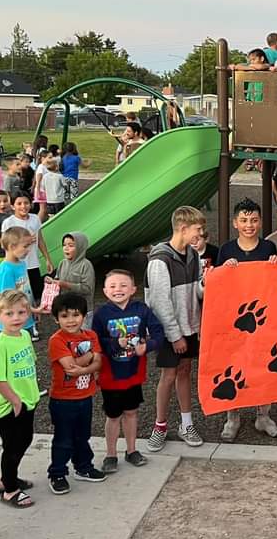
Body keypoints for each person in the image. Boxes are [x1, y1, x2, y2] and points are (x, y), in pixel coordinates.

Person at [215, 199, 277, 440]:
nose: (249, 225)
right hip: (235, 319)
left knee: (262, 365)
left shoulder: (269, 248)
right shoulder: (227, 250)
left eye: (253, 220)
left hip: (264, 318)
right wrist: (225, 269)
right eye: (243, 220)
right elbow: (216, 285)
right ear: (235, 223)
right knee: (233, 365)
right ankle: (233, 417)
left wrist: (276, 265)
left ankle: (263, 415)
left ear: (260, 222)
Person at [146, 206, 207, 452]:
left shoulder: (193, 255)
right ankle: (160, 426)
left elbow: (197, 291)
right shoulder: (160, 260)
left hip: (189, 326)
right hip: (172, 331)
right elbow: (160, 302)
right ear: (183, 228)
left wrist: (206, 282)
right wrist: (174, 335)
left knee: (185, 372)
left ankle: (186, 423)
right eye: (198, 229)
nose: (201, 234)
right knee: (168, 376)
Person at [94, 269, 164, 472]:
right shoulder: (101, 314)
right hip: (111, 375)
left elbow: (158, 333)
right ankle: (111, 454)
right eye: (113, 286)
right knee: (113, 415)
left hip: (133, 373)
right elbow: (96, 341)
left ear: (133, 289)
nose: (118, 290)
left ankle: (132, 450)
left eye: (123, 285)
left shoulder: (141, 309)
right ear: (105, 291)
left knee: (132, 412)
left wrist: (148, 346)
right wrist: (115, 343)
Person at [47, 292, 105, 494]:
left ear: (83, 315)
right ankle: (57, 473)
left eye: (75, 315)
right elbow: (69, 367)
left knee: (83, 435)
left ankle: (83, 467)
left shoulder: (91, 335)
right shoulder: (57, 340)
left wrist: (84, 367)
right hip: (62, 400)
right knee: (63, 439)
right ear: (56, 319)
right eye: (64, 316)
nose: (71, 320)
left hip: (85, 397)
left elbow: (98, 362)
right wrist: (88, 358)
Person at [0, 289, 39, 509]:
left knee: (24, 440)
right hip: (8, 405)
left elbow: (29, 364)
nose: (16, 318)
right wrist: (15, 400)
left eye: (21, 312)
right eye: (9, 313)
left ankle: (8, 477)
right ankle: (9, 489)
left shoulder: (25, 336)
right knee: (13, 446)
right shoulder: (0, 346)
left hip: (26, 400)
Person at [2, 193, 53, 306]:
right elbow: (5, 244)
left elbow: (40, 240)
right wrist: (25, 240)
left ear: (31, 204)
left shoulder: (35, 219)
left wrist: (47, 259)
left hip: (33, 263)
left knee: (36, 293)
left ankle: (34, 313)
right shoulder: (8, 222)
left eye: (26, 203)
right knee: (19, 292)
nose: (23, 206)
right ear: (13, 206)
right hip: (18, 264)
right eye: (19, 203)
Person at [0, 228, 38, 340]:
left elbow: (25, 289)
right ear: (12, 247)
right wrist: (32, 310)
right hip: (13, 320)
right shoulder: (6, 270)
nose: (28, 250)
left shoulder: (22, 264)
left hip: (24, 314)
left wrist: (32, 309)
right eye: (25, 246)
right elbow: (8, 300)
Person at [55, 232, 95, 327]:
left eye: (71, 245)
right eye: (64, 245)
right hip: (66, 309)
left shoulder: (86, 265)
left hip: (82, 310)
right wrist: (51, 282)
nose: (66, 248)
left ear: (80, 247)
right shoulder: (62, 263)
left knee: (82, 337)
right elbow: (57, 278)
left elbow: (87, 288)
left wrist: (65, 285)